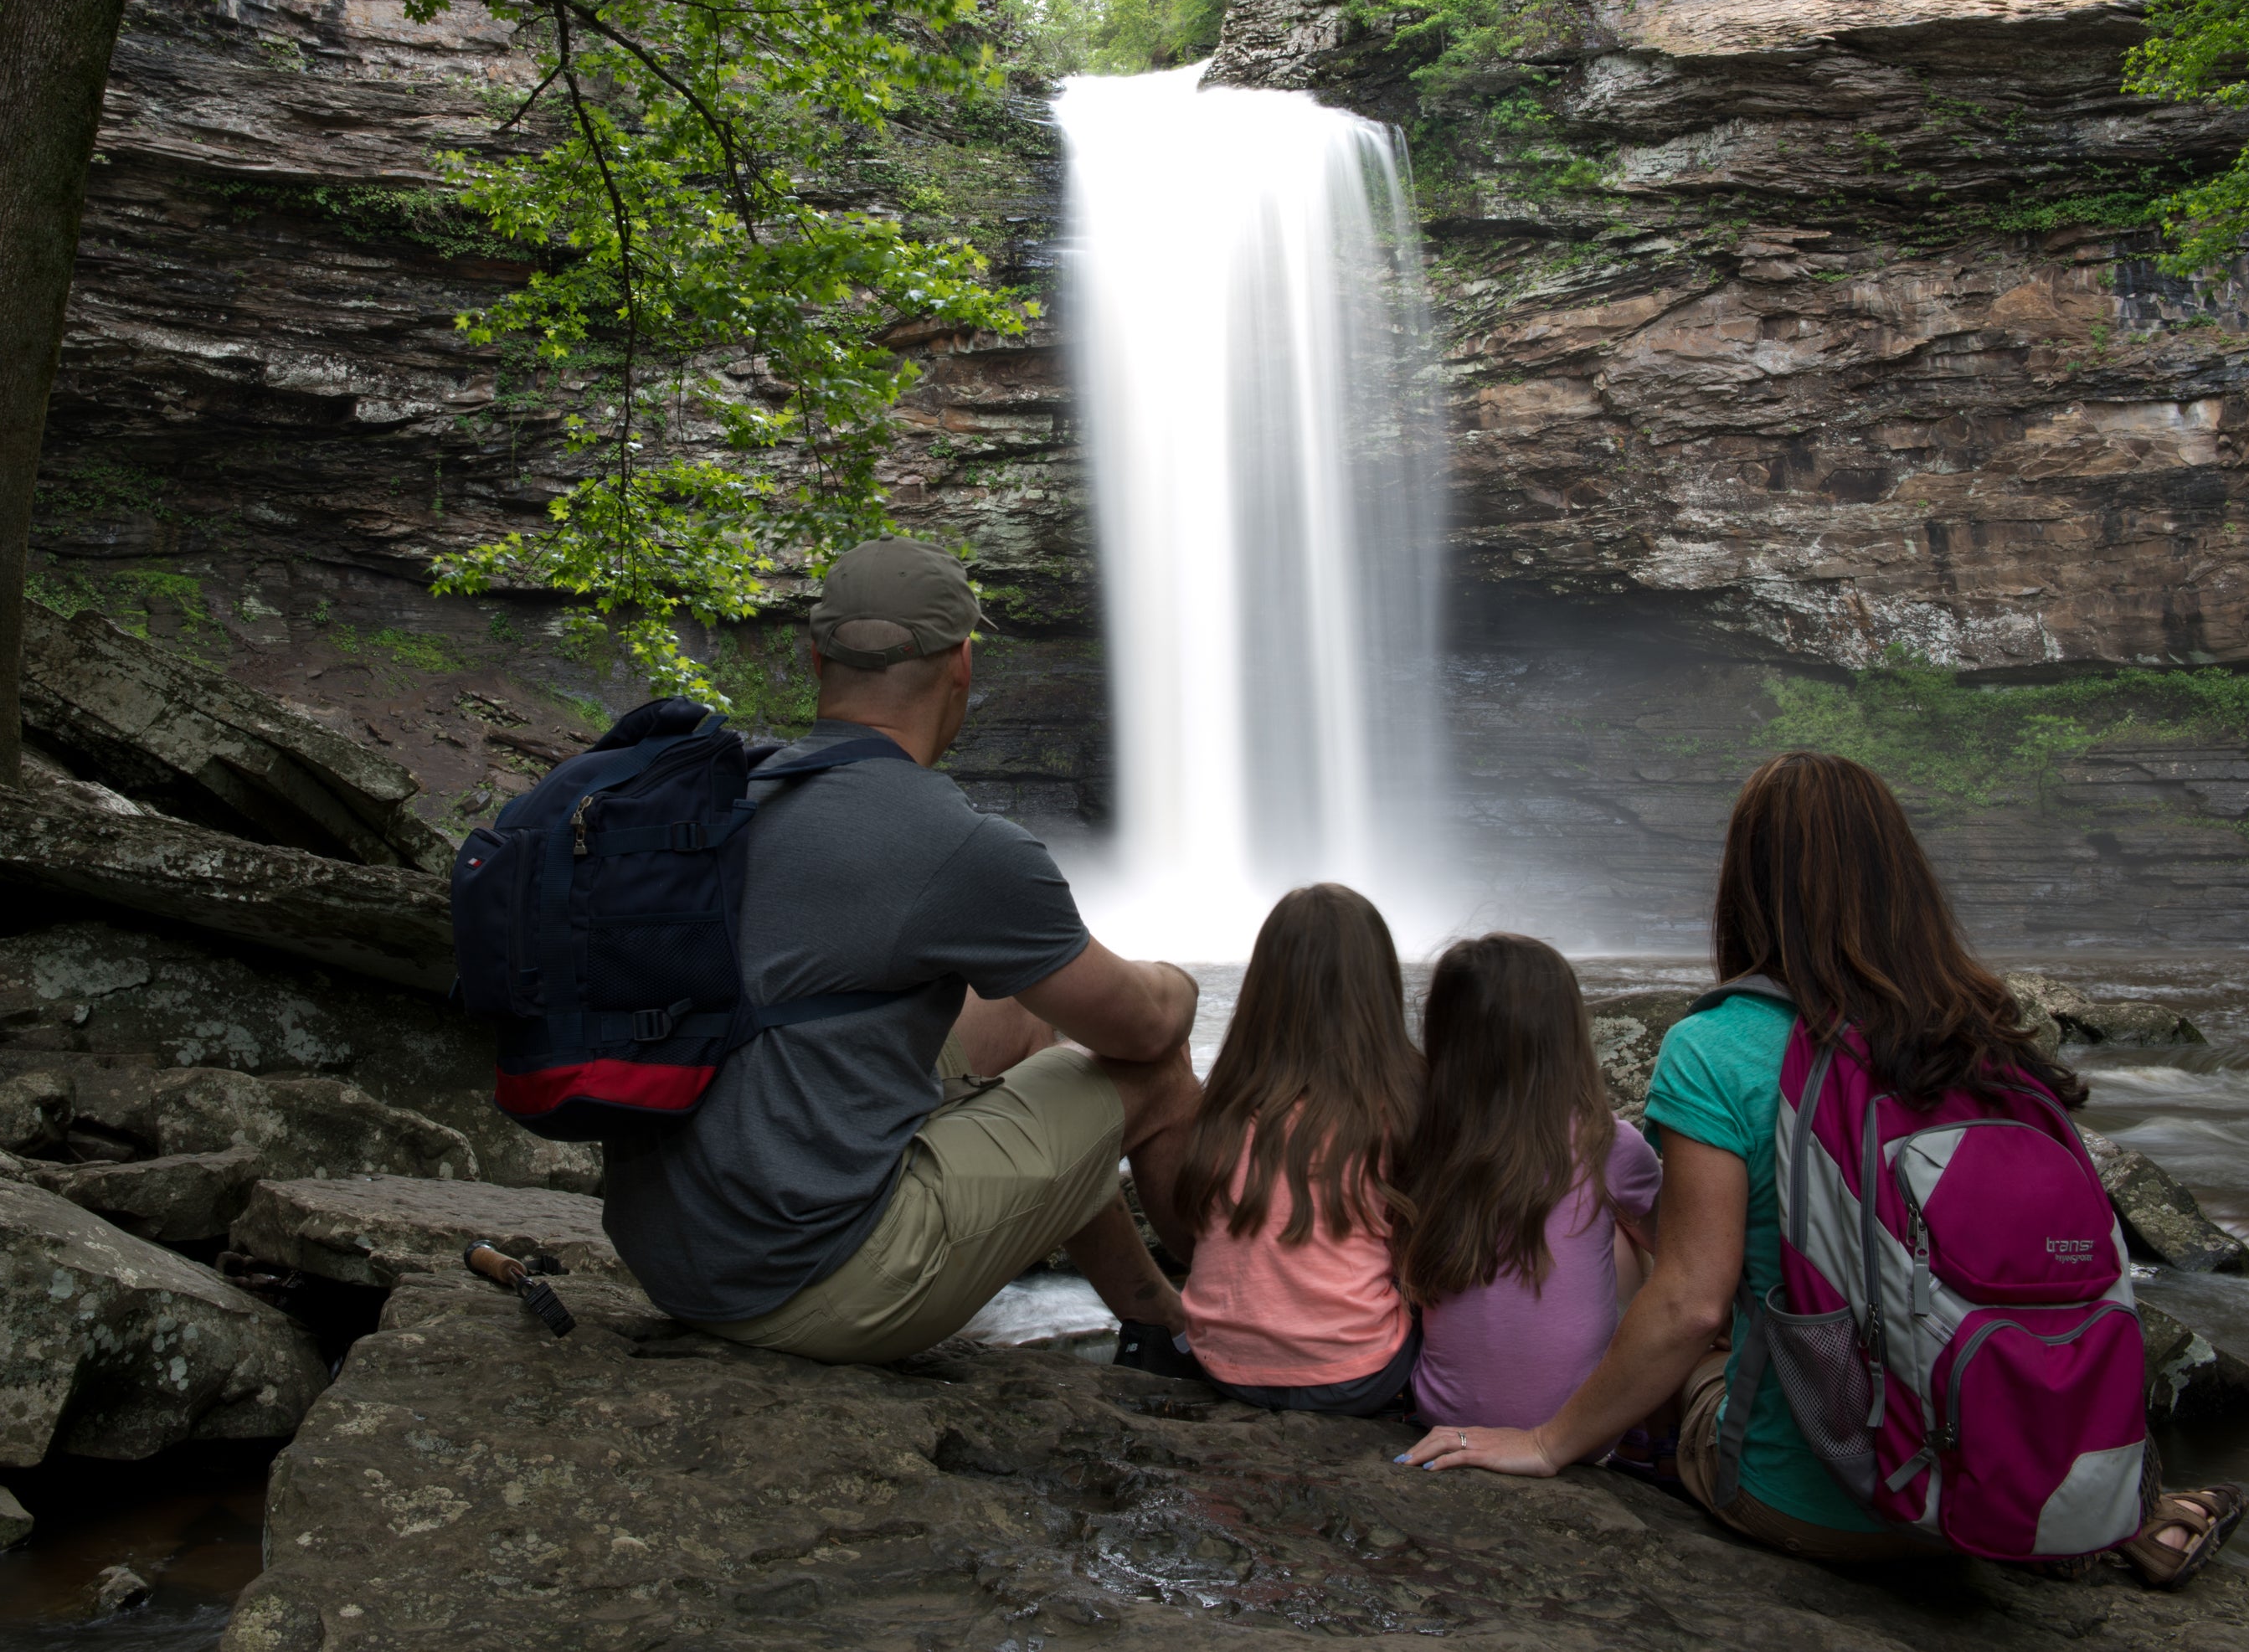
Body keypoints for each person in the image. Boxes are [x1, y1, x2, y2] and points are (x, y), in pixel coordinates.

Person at [1400, 752, 2248, 1590]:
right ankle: (2124, 1518)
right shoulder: (1984, 1037)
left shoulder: (1716, 1046)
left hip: (1816, 1505)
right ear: (1903, 882)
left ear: (1748, 885)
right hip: (2000, 1501)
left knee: (1673, 1317)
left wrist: (1546, 1442)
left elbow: (1692, 1304)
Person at [600, 538, 1205, 1366]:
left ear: (816, 658)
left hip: (674, 1257)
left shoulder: (733, 791)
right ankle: (1243, 1319)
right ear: (962, 663)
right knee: (1154, 1071)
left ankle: (1150, 1311)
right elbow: (1140, 1030)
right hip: (819, 1283)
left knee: (1029, 1016)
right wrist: (1178, 985)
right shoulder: (960, 846)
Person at [1395, 934, 1662, 1439]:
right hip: (1580, 1432)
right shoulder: (1610, 1143)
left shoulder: (1419, 1140)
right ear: (1566, 1036)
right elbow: (1687, 1257)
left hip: (1441, 1419)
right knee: (1625, 1233)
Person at [1173, 883, 1423, 1414]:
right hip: (1358, 1377)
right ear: (1379, 989)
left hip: (1221, 1364)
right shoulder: (1400, 1102)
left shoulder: (1225, 1101)